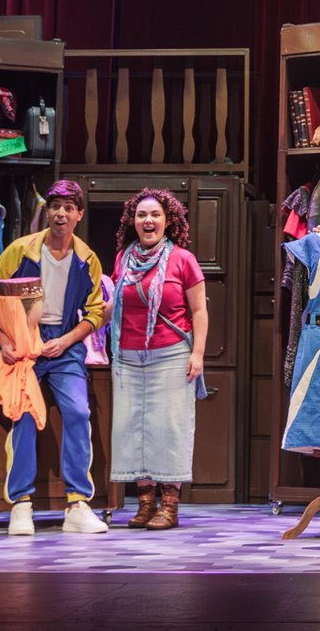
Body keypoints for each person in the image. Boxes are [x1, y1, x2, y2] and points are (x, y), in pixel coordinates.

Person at [0, 179, 108, 535]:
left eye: (69, 208)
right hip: (24, 342)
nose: (61, 214)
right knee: (23, 414)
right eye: (55, 207)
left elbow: (96, 312)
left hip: (64, 345)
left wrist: (67, 341)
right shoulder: (21, 250)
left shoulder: (87, 259)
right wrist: (4, 340)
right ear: (47, 212)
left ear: (79, 215)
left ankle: (77, 504)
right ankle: (21, 504)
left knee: (78, 411)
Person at [107, 188, 208, 531]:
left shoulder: (182, 259)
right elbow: (115, 305)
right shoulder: (123, 259)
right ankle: (145, 503)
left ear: (168, 221)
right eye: (141, 215)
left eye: (155, 215)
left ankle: (169, 505)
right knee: (134, 428)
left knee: (168, 428)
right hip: (128, 356)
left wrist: (198, 353)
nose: (148, 220)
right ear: (132, 221)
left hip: (170, 354)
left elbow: (199, 310)